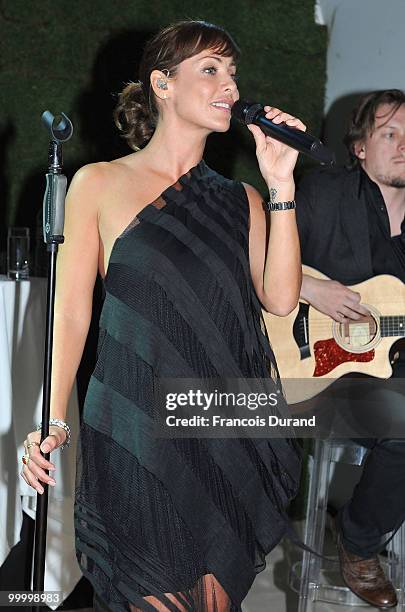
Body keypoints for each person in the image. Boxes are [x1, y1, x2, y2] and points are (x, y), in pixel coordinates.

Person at [20, 20, 306, 612]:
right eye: (210, 69)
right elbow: (71, 315)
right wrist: (50, 417)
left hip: (220, 420)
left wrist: (281, 183)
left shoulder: (241, 200)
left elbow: (280, 298)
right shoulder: (98, 184)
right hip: (134, 422)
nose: (229, 84)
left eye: (232, 72)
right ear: (163, 84)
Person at [295, 89, 405, 609]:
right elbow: (250, 260)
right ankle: (361, 545)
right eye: (390, 134)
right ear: (360, 147)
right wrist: (309, 287)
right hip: (310, 374)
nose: (404, 146)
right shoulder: (321, 193)